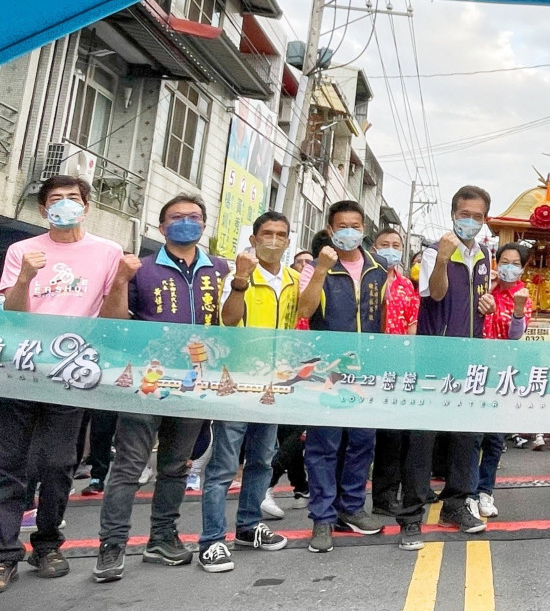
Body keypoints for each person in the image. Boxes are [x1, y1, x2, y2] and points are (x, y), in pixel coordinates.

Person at [93, 195, 229, 582]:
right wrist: (120, 279)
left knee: (175, 466)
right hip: (146, 383)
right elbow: (115, 322)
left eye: (194, 217)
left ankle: (161, 537)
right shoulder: (142, 269)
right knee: (129, 465)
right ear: (161, 226)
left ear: (205, 225)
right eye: (177, 217)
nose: (186, 222)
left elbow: (229, 323)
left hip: (194, 383)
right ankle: (112, 544)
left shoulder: (219, 270)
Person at [0, 177, 124, 591]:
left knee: (57, 463)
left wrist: (121, 279)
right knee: (9, 464)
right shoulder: (22, 251)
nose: (66, 205)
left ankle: (48, 543)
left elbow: (112, 319)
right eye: (56, 200)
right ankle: (4, 553)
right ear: (43, 210)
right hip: (21, 368)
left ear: (86, 206)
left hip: (71, 373)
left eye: (74, 198)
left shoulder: (107, 252)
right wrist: (24, 280)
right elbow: (14, 315)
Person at [195, 211, 297, 573]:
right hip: (236, 383)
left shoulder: (293, 279)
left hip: (273, 386)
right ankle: (211, 541)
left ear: (288, 240)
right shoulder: (237, 277)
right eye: (266, 233)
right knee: (223, 467)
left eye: (280, 234)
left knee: (261, 460)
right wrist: (240, 279)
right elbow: (229, 319)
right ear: (253, 239)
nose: (273, 240)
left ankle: (249, 526)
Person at [397, 186, 495, 550]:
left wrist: (484, 304)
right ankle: (411, 516)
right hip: (434, 359)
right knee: (423, 439)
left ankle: (457, 504)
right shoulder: (430, 252)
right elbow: (436, 295)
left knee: (465, 438)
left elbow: (473, 301)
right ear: (453, 213)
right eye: (464, 214)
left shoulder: (484, 255)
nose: (470, 221)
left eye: (478, 216)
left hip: (469, 359)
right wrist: (441, 259)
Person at [295, 201, 390, 553]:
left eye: (355, 225)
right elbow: (304, 310)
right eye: (341, 226)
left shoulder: (380, 269)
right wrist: (321, 268)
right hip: (327, 369)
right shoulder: (317, 267)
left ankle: (351, 508)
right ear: (331, 230)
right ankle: (322, 517)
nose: (349, 232)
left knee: (363, 441)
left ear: (363, 228)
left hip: (368, 368)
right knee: (324, 444)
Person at [474, 242, 531, 519]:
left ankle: (485, 492)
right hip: (474, 371)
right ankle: (467, 492)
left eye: (515, 263)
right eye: (504, 261)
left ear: (522, 267)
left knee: (494, 439)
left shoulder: (522, 296)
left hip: (502, 376)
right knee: (472, 436)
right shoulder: (483, 287)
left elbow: (515, 335)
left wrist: (518, 310)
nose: (508, 267)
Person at [370, 227, 421, 519]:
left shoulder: (407, 286)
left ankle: (388, 496)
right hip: (368, 367)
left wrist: (409, 367)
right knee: (368, 438)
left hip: (398, 370)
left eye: (396, 245)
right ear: (374, 247)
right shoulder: (367, 279)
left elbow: (412, 327)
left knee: (395, 436)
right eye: (384, 244)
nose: (390, 249)